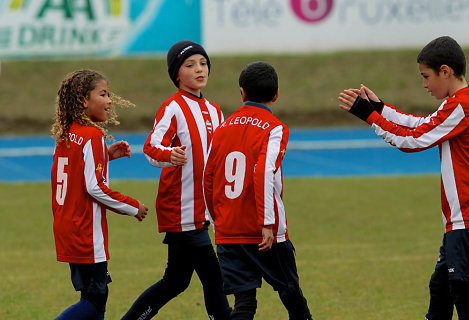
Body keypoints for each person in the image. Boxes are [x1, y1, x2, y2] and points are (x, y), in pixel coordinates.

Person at [338, 36, 469, 320]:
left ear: (445, 71)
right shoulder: (464, 101)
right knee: (441, 287)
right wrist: (380, 108)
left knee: (462, 293)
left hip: (468, 217)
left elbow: (414, 141)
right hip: (463, 218)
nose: (425, 85)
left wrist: (370, 117)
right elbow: (421, 124)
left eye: (426, 77)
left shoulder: (461, 106)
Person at [121, 40, 231, 320]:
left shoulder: (216, 111)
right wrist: (171, 155)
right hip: (180, 210)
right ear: (176, 73)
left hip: (203, 211)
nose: (199, 69)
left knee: (176, 282)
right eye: (190, 65)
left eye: (203, 63)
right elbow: (150, 148)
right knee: (214, 277)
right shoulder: (173, 107)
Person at [204, 61, 314, 320]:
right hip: (264, 231)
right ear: (276, 95)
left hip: (228, 229)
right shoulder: (275, 127)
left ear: (242, 92)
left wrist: (216, 221)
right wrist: (267, 222)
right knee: (291, 293)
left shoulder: (221, 128)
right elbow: (263, 171)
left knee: (244, 302)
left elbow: (208, 177)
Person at [51, 69, 149, 320]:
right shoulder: (92, 135)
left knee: (95, 298)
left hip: (67, 226)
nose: (110, 100)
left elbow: (76, 172)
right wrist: (132, 206)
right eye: (103, 94)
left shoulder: (66, 132)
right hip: (85, 231)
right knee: (94, 300)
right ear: (84, 100)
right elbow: (94, 187)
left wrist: (106, 156)